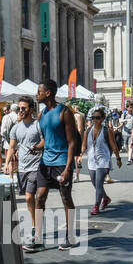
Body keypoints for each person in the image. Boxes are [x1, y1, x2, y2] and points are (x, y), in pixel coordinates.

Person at [33, 79, 81, 250]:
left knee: (66, 198)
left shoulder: (64, 112)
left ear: (48, 93)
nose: (36, 94)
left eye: (39, 91)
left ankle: (71, 237)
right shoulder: (42, 114)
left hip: (62, 162)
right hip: (46, 163)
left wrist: (69, 168)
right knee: (39, 198)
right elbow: (46, 139)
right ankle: (38, 237)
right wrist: (36, 147)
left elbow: (72, 142)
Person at [4, 97, 43, 251]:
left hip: (36, 166)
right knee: (29, 200)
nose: (20, 111)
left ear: (31, 109)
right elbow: (12, 148)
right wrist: (7, 163)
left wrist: (38, 147)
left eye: (24, 108)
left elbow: (45, 140)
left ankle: (36, 230)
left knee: (29, 196)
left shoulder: (37, 125)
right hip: (22, 168)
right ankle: (35, 224)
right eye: (19, 108)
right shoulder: (16, 128)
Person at [82, 105, 122, 215]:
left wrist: (118, 159)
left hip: (103, 160)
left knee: (99, 184)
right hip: (91, 161)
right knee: (95, 184)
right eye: (93, 118)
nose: (95, 120)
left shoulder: (107, 131)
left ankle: (96, 205)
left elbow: (114, 145)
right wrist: (80, 155)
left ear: (103, 119)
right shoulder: (87, 131)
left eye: (98, 117)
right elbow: (84, 145)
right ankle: (106, 198)